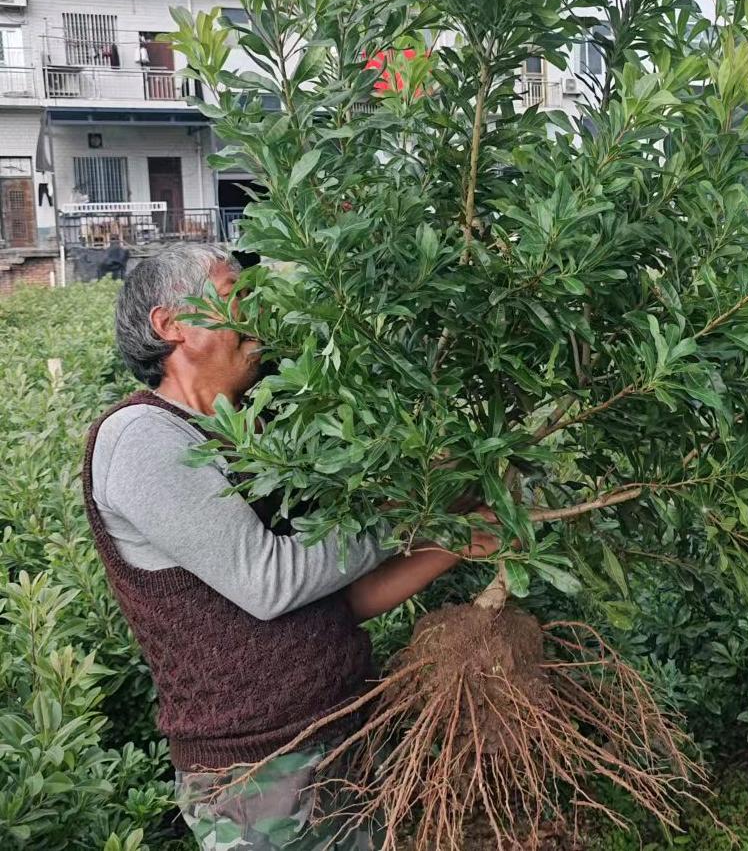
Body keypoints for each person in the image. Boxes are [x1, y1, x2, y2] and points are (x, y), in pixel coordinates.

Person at [84, 243, 497, 850]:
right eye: (236, 297)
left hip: (343, 739)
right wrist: (413, 510)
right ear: (172, 325)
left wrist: (454, 539)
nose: (258, 315)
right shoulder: (144, 439)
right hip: (260, 778)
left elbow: (334, 598)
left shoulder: (258, 435)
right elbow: (271, 583)